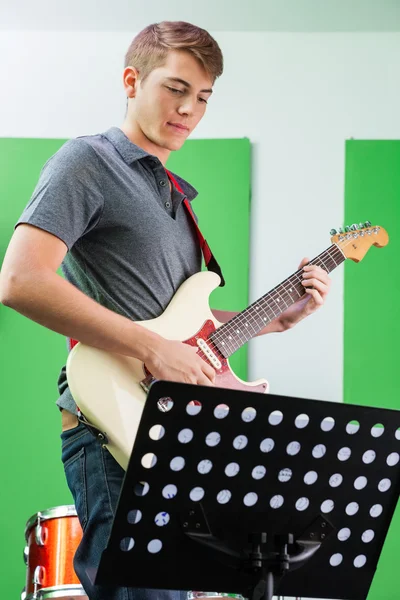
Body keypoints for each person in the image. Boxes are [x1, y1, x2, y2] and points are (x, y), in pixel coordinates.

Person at [0, 21, 331, 600]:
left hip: (179, 427)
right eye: (176, 89)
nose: (190, 109)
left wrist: (276, 318)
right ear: (132, 80)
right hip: (113, 419)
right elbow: (21, 280)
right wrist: (153, 350)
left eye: (203, 97)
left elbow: (177, 325)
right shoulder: (89, 161)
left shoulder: (173, 194)